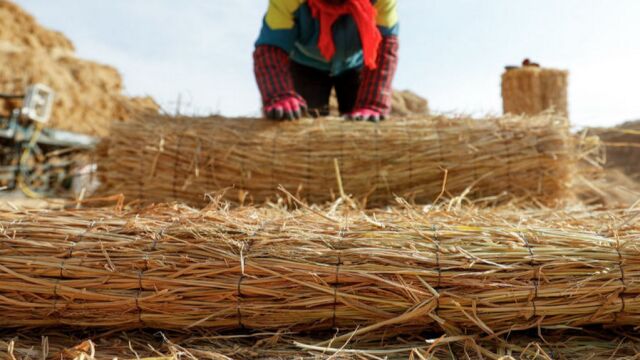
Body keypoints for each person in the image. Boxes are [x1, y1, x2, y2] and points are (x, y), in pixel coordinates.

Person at [254, 0, 399, 122]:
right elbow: (271, 47)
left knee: (365, 127)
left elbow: (385, 47)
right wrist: (279, 93)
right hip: (306, 65)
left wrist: (373, 103)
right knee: (301, 127)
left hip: (357, 64)